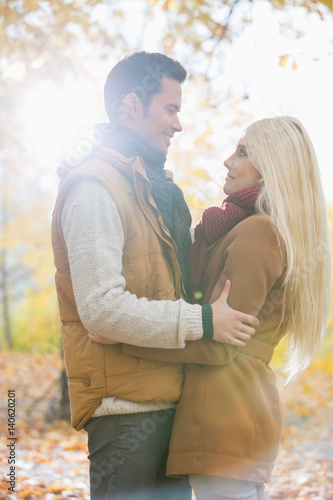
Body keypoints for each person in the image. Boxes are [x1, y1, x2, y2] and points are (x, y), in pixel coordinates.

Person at [51, 51, 259, 500]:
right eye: (171, 109)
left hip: (172, 408)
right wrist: (205, 322)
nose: (178, 124)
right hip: (127, 420)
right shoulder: (94, 188)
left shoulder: (156, 189)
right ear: (131, 105)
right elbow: (102, 310)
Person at [110, 116, 331, 499]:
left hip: (227, 418)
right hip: (227, 417)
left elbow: (218, 341)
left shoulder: (258, 232)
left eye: (243, 152)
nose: (228, 161)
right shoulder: (248, 227)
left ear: (273, 166)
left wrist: (124, 340)